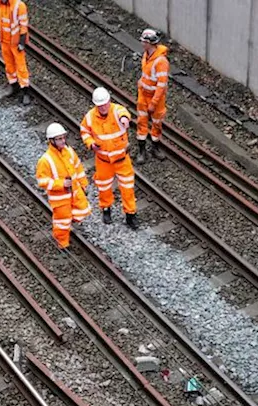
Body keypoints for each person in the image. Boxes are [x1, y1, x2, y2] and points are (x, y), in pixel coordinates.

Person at [79, 87, 138, 229]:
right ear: (96, 105)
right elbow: (84, 131)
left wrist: (125, 119)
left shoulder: (117, 111)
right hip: (103, 161)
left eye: (105, 104)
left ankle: (130, 215)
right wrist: (90, 143)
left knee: (127, 187)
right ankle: (106, 210)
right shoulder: (90, 117)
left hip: (122, 159)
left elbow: (124, 113)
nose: (103, 107)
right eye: (100, 105)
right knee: (104, 187)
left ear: (109, 101)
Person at [36, 123, 91, 251]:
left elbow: (78, 168)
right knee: (62, 222)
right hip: (60, 199)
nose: (63, 141)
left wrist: (83, 184)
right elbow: (42, 181)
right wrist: (60, 184)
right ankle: (63, 244)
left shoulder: (69, 152)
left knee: (80, 211)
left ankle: (72, 226)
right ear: (51, 141)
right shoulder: (46, 160)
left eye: (63, 137)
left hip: (74, 192)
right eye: (59, 139)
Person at [135, 28, 169, 164]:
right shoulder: (146, 55)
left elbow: (161, 85)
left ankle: (155, 147)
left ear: (150, 43)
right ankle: (141, 151)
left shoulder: (161, 62)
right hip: (143, 95)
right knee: (141, 123)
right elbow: (146, 74)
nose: (142, 44)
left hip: (155, 99)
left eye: (144, 42)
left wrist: (154, 103)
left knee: (156, 123)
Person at [0, 0, 30, 105]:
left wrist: (22, 43)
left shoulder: (19, 6)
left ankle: (25, 91)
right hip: (5, 42)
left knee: (21, 66)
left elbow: (23, 26)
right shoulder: (2, 5)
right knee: (9, 65)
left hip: (15, 43)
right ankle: (13, 85)